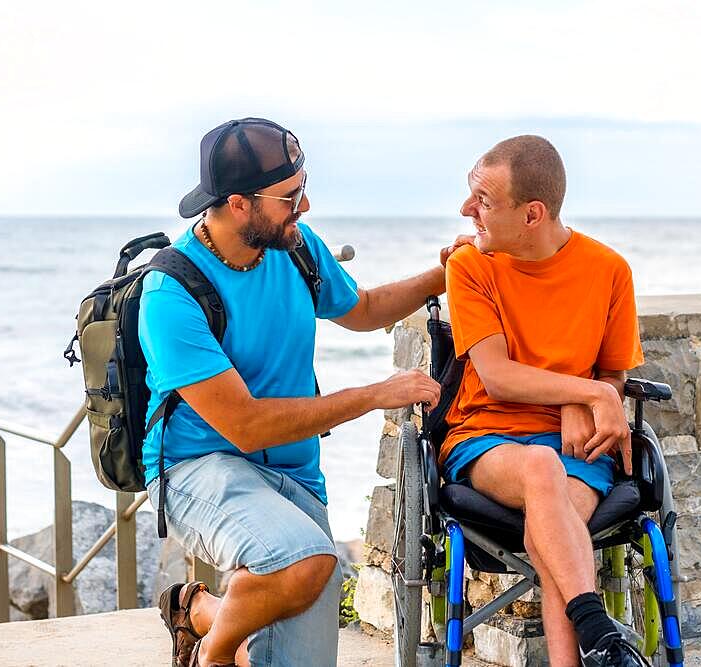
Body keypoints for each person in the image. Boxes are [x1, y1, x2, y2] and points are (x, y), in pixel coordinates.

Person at [140, 117, 467, 667]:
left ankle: (199, 615)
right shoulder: (171, 293)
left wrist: (443, 275)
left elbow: (362, 310)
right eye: (291, 196)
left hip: (293, 471)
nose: (306, 206)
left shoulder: (292, 246)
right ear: (239, 204)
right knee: (307, 559)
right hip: (197, 467)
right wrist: (372, 394)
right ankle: (213, 654)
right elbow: (244, 425)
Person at [442, 135, 647, 667]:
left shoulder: (609, 271)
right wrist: (587, 392)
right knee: (540, 470)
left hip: (576, 447)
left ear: (532, 213)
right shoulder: (470, 267)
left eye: (484, 199)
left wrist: (588, 398)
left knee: (554, 535)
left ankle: (583, 649)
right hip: (486, 439)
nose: (468, 211)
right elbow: (499, 377)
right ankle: (597, 627)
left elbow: (612, 376)